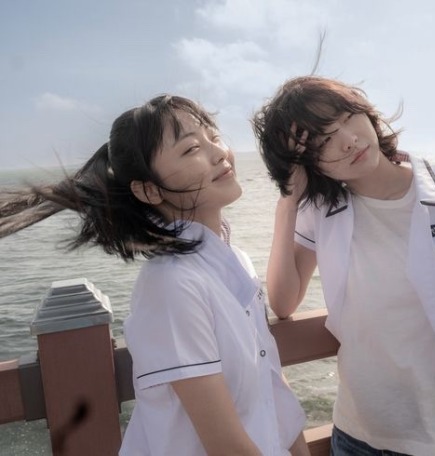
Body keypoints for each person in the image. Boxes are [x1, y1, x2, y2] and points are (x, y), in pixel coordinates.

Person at [0, 95, 308, 455]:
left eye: (213, 136)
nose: (219, 152)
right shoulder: (171, 284)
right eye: (191, 148)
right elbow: (225, 446)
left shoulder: (234, 260)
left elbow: (271, 383)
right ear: (149, 189)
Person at [252, 76, 435, 456]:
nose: (348, 140)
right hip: (355, 435)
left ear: (367, 113)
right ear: (306, 163)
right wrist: (288, 201)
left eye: (347, 118)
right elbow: (284, 301)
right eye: (323, 141)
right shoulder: (322, 210)